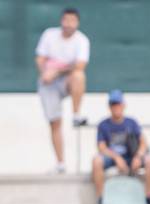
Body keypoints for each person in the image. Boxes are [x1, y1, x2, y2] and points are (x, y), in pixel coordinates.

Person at [35, 7, 89, 173]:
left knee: (78, 76)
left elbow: (80, 65)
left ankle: (76, 114)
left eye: (72, 21)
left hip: (67, 80)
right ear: (61, 21)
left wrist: (57, 71)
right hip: (49, 83)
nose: (68, 24)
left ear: (77, 23)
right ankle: (60, 163)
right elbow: (39, 58)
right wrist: (46, 73)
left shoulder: (82, 40)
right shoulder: (49, 35)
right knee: (55, 123)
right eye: (66, 20)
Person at [93, 90, 146, 204]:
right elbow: (101, 147)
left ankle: (149, 197)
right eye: (113, 104)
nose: (116, 107)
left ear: (123, 105)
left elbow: (143, 142)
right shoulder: (103, 124)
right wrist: (116, 158)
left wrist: (138, 156)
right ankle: (100, 198)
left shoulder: (132, 122)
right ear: (109, 106)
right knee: (97, 161)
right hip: (112, 158)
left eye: (118, 104)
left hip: (131, 156)